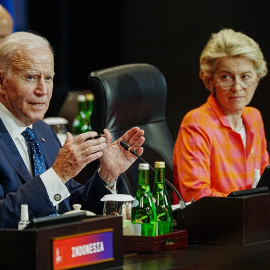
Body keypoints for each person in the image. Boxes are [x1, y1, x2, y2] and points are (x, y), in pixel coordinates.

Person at [0, 31, 145, 228]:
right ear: (2, 82)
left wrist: (107, 175)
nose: (42, 90)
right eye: (31, 77)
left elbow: (73, 203)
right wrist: (57, 175)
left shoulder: (43, 131)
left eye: (49, 78)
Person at [173, 28, 269, 203]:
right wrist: (247, 207)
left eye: (245, 76)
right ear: (211, 80)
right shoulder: (197, 123)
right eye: (226, 77)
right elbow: (196, 195)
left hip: (250, 222)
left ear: (257, 78)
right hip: (212, 225)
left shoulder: (254, 117)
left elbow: (265, 183)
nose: (237, 87)